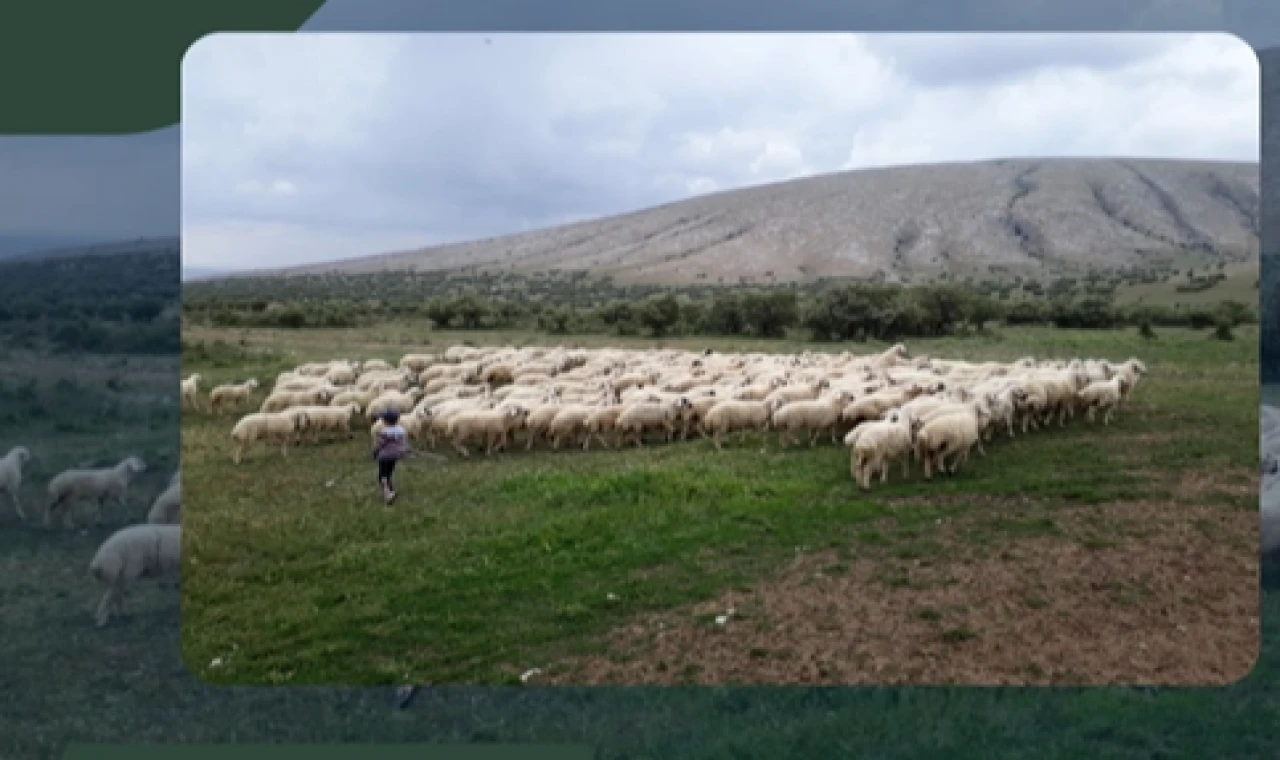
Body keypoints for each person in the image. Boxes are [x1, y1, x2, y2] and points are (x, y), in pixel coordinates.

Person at [371, 409, 409, 505]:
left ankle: (388, 494)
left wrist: (374, 452)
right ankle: (390, 490)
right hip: (395, 456)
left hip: (385, 456)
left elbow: (380, 444)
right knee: (388, 473)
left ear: (385, 421)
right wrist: (404, 451)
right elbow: (403, 443)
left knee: (382, 476)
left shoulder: (385, 432)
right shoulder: (401, 430)